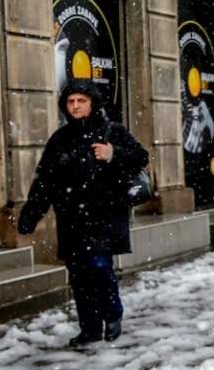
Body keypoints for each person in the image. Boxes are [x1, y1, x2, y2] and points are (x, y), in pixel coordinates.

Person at [17, 80, 149, 347]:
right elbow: (45, 181)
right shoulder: (60, 139)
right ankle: (89, 328)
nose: (75, 106)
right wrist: (32, 213)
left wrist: (113, 154)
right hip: (72, 220)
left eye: (81, 101)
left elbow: (140, 157)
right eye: (70, 102)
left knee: (100, 267)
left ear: (92, 102)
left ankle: (113, 316)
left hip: (104, 216)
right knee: (79, 276)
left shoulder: (113, 132)